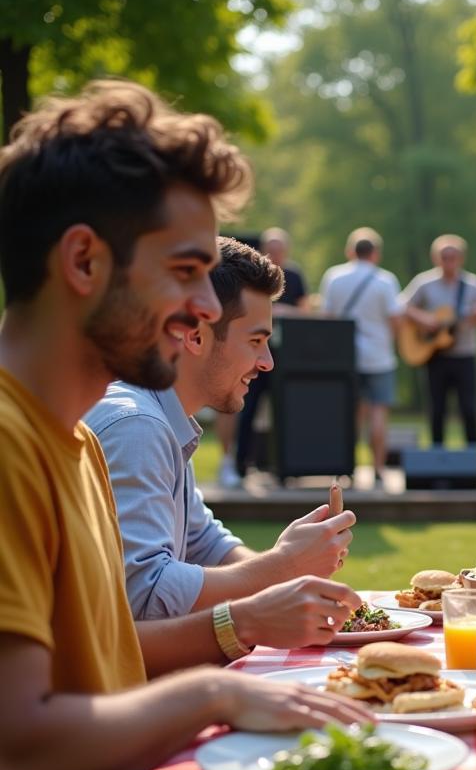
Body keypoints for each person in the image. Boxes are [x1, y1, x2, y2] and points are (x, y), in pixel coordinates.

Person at [0, 81, 369, 770]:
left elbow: (108, 660)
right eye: (187, 272)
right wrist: (216, 684)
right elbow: (18, 763)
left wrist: (238, 646)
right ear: (84, 262)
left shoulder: (75, 442)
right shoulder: (14, 444)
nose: (208, 310)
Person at [85, 236, 356, 630]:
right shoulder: (138, 426)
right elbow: (145, 595)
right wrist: (282, 566)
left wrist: (286, 566)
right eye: (256, 341)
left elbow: (205, 544)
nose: (267, 362)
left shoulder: (161, 416)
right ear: (195, 335)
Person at [321, 227, 402, 488]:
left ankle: (349, 467)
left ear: (350, 251)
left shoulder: (334, 277)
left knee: (350, 416)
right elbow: (395, 319)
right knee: (379, 413)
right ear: (375, 253)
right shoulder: (385, 281)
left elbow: (328, 319)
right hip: (379, 357)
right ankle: (378, 468)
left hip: (346, 358)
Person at [228, 225, 310, 485]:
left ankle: (287, 467)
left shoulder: (295, 275)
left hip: (288, 359)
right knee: (248, 408)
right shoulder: (251, 276)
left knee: (289, 411)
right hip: (253, 356)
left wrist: (283, 312)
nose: (275, 254)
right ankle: (241, 465)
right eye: (270, 250)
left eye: (279, 250)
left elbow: (306, 311)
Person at [400, 234, 476, 446]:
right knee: (436, 409)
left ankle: (472, 457)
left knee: (469, 408)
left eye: (453, 255)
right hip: (435, 356)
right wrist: (426, 320)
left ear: (461, 258)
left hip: (465, 354)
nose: (449, 260)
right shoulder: (424, 283)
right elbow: (402, 306)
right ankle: (438, 456)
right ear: (435, 258)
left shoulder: (474, 285)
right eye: (444, 256)